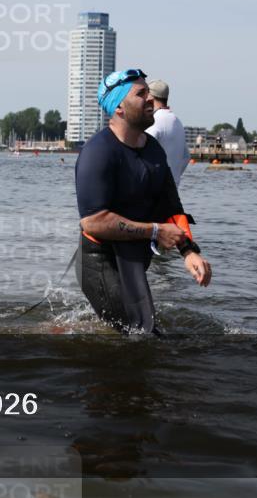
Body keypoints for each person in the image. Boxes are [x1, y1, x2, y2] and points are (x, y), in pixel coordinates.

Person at [75, 68, 212, 334]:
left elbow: (171, 207)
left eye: (148, 91)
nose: (150, 98)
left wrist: (188, 251)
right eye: (141, 94)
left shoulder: (153, 149)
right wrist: (156, 231)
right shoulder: (98, 152)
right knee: (144, 334)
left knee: (142, 332)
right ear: (119, 109)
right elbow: (93, 222)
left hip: (135, 256)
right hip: (101, 261)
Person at [143, 79, 189, 187]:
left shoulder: (154, 121)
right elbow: (186, 157)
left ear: (150, 97)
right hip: (172, 190)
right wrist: (174, 178)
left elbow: (142, 153)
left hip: (154, 190)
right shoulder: (177, 121)